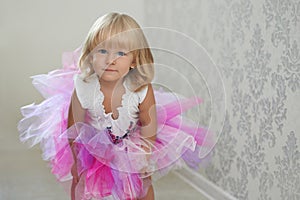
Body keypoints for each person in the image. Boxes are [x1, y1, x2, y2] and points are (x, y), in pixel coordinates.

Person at [18, 12, 208, 200]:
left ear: (134, 60)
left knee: (141, 186)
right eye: (102, 51)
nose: (110, 60)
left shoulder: (141, 89)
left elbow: (149, 126)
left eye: (120, 53)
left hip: (131, 145)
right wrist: (76, 160)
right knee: (83, 183)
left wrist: (144, 157)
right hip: (93, 147)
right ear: (91, 55)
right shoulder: (83, 86)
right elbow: (73, 127)